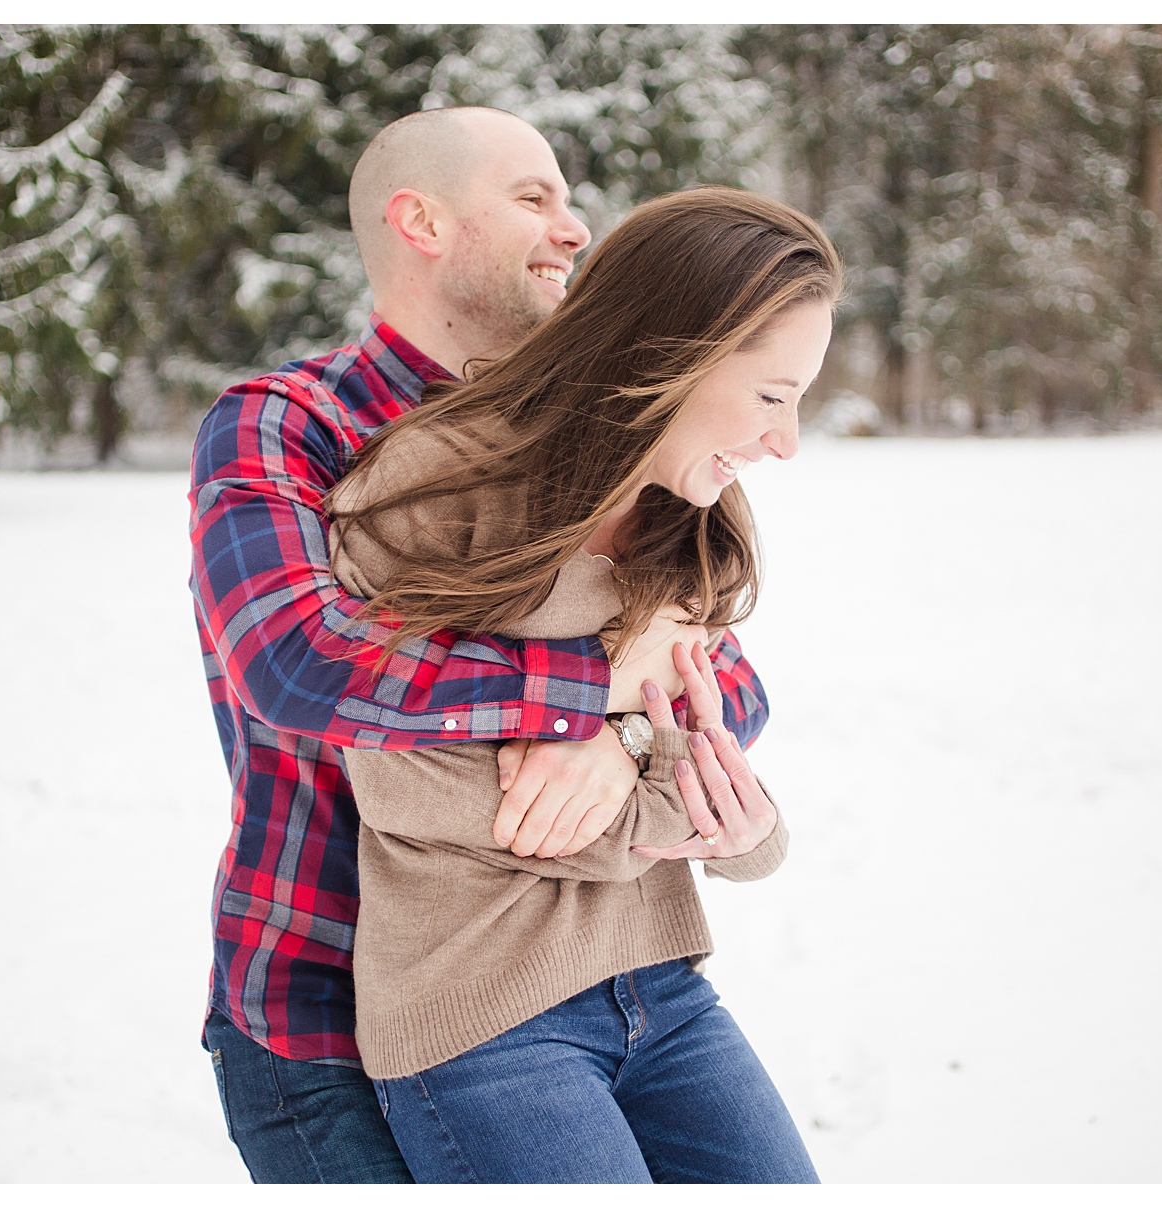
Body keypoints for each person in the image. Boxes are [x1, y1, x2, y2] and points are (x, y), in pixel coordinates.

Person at [188, 107, 773, 1183]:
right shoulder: (284, 422)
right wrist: (590, 687)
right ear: (421, 221)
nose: (574, 226)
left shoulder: (586, 431)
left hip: (576, 971)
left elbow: (722, 668)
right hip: (321, 999)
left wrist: (621, 739)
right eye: (533, 197)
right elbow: (302, 663)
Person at [324, 186, 832, 1183]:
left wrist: (656, 769)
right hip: (482, 1016)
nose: (787, 441)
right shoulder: (436, 483)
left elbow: (698, 732)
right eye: (773, 394)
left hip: (661, 988)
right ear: (667, 352)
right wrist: (647, 816)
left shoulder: (696, 518)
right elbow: (398, 776)